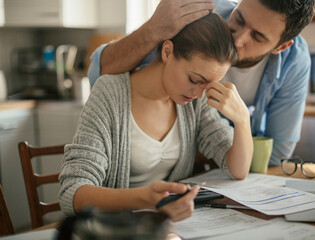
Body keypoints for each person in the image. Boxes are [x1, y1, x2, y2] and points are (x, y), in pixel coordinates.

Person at [59, 12, 253, 222]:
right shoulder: (110, 94)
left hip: (170, 229)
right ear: (167, 52)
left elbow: (238, 170)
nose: (199, 94)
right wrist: (145, 199)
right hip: (117, 229)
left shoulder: (193, 103)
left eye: (209, 85)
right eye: (195, 79)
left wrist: (242, 120)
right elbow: (73, 193)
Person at [88, 0, 315, 166]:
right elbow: (101, 73)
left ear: (280, 46)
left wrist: (220, 144)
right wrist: (153, 29)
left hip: (213, 177)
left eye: (257, 37)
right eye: (239, 18)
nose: (237, 40)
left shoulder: (294, 61)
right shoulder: (199, 18)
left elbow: (277, 153)